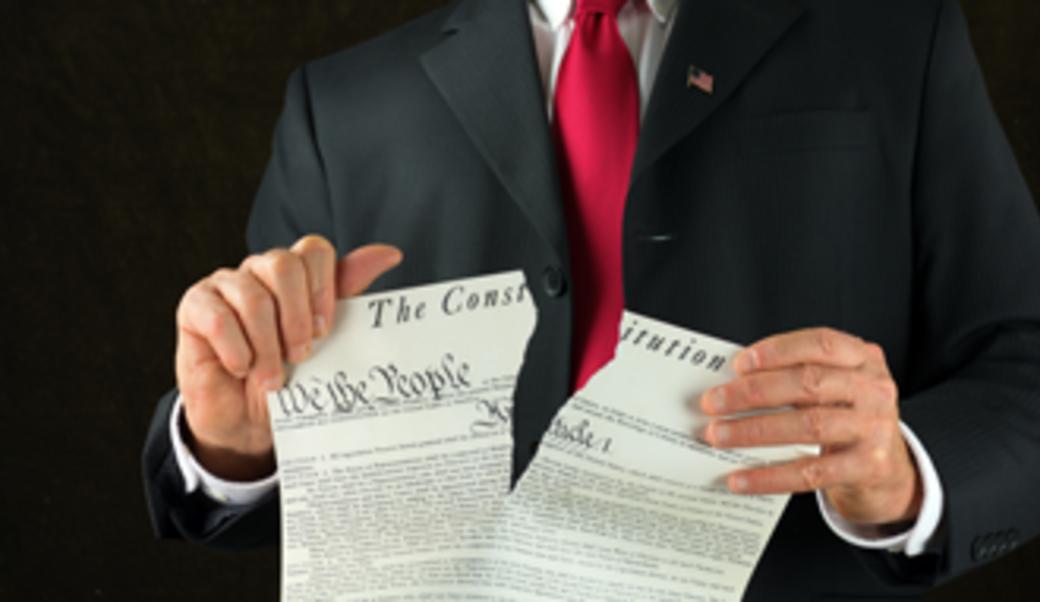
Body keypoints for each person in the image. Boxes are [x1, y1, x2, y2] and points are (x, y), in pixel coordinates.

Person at [142, 0, 1040, 599]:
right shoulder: (343, 106)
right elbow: (268, 426)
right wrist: (231, 447)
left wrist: (901, 474)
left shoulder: (893, 36)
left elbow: (1024, 367)